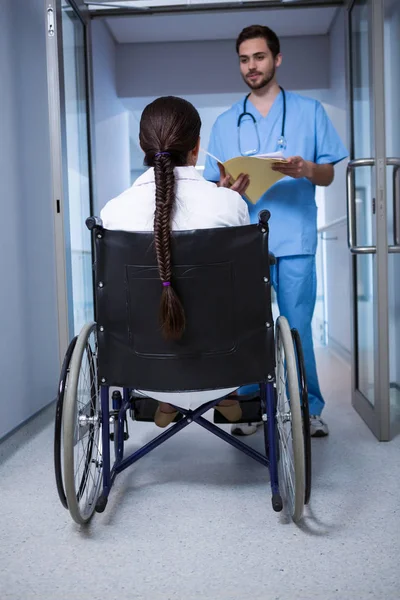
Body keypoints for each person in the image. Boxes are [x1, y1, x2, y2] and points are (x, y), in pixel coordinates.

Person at [204, 25, 348, 438]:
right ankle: (250, 407)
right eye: (244, 59)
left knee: (297, 327)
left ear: (277, 59)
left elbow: (327, 175)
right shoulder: (227, 121)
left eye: (259, 57)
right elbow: (214, 183)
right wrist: (226, 186)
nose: (252, 66)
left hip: (295, 236)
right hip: (245, 238)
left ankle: (307, 408)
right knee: (249, 327)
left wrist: (304, 169)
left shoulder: (309, 111)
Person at [100, 96, 250, 428]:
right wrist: (224, 194)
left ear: (143, 145)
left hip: (141, 372)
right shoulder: (230, 205)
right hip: (226, 368)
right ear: (196, 147)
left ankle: (167, 398)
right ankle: (227, 394)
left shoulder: (113, 212)